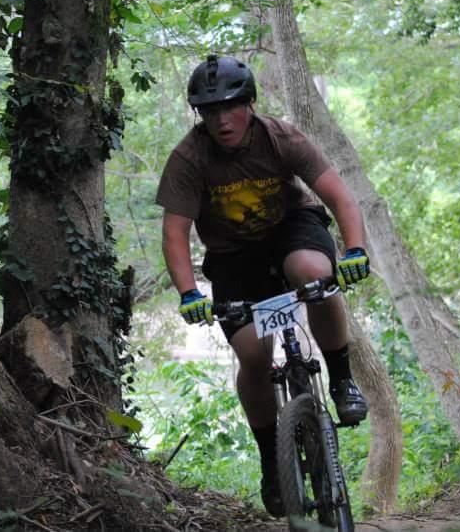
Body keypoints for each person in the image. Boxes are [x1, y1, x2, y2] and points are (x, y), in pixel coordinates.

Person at [155, 54, 371, 517]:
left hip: (292, 229)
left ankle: (342, 380)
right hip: (233, 256)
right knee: (253, 354)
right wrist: (189, 293)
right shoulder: (189, 158)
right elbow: (175, 233)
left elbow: (339, 196)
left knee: (315, 276)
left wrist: (354, 249)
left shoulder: (281, 138)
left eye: (230, 107)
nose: (221, 120)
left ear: (250, 104)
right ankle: (273, 460)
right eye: (210, 111)